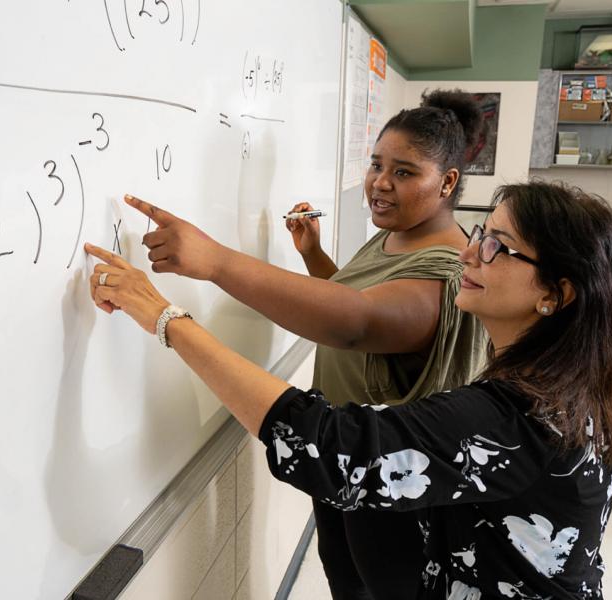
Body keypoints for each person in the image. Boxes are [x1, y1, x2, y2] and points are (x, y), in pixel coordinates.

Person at [83, 180, 612, 599]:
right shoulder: (573, 380)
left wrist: (163, 316)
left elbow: (329, 446)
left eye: (498, 246)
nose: (469, 253)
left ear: (555, 294)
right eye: (480, 233)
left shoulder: (522, 414)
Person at [119, 90, 488, 599]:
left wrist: (216, 262)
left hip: (394, 484)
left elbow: (357, 323)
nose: (380, 183)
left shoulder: (446, 269)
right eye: (376, 165)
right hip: (343, 461)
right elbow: (355, 302)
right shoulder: (394, 235)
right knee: (345, 580)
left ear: (447, 182)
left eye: (404, 172)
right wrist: (313, 254)